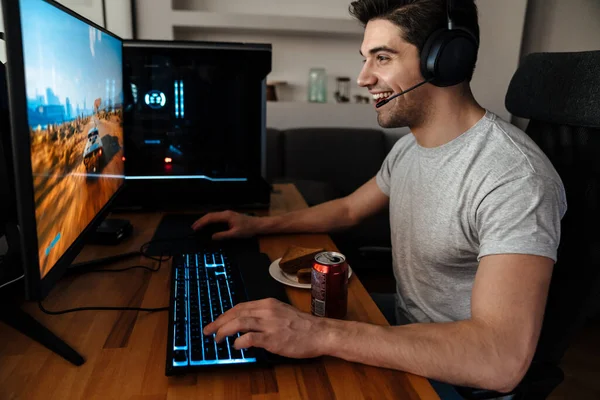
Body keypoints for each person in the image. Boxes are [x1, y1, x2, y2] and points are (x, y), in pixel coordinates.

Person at [192, 0, 567, 394]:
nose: (363, 77)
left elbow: (498, 358)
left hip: (461, 375)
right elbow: (351, 208)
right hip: (408, 330)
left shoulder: (512, 176)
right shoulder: (410, 149)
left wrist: (322, 334)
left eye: (382, 58)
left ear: (447, 60)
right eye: (365, 58)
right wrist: (256, 225)